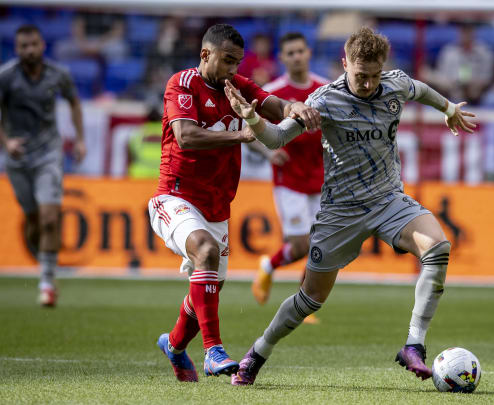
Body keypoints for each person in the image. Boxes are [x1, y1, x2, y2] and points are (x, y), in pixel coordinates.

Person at [224, 26, 476, 386]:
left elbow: (420, 90)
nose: (369, 84)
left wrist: (449, 109)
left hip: (389, 200)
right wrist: (251, 119)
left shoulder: (395, 84)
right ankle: (257, 353)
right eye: (361, 76)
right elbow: (277, 137)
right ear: (345, 64)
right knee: (310, 299)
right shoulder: (323, 101)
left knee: (438, 247)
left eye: (374, 76)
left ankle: (414, 345)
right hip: (341, 212)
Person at [149, 24, 320, 383]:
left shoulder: (239, 87)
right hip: (174, 195)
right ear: (205, 54)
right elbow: (186, 136)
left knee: (206, 289)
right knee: (207, 253)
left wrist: (295, 107)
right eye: (227, 60)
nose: (232, 69)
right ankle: (214, 350)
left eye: (237, 62)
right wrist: (242, 134)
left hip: (216, 206)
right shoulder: (181, 84)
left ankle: (175, 346)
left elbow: (274, 105)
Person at [0, 25, 85, 307]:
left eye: (34, 44)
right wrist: (6, 142)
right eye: (24, 46)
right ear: (17, 49)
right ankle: (44, 262)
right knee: (34, 219)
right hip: (18, 156)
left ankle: (47, 282)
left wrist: (80, 139)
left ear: (42, 45)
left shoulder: (57, 74)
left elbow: (74, 102)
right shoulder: (7, 77)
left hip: (49, 152)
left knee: (50, 217)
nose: (30, 50)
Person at [246, 33, 329, 322]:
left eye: (300, 51)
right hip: (289, 178)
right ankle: (268, 265)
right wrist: (269, 153)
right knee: (300, 245)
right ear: (282, 58)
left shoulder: (324, 90)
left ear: (308, 53)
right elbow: (249, 129)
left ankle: (303, 305)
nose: (296, 57)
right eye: (290, 53)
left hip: (322, 178)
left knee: (321, 243)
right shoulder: (272, 93)